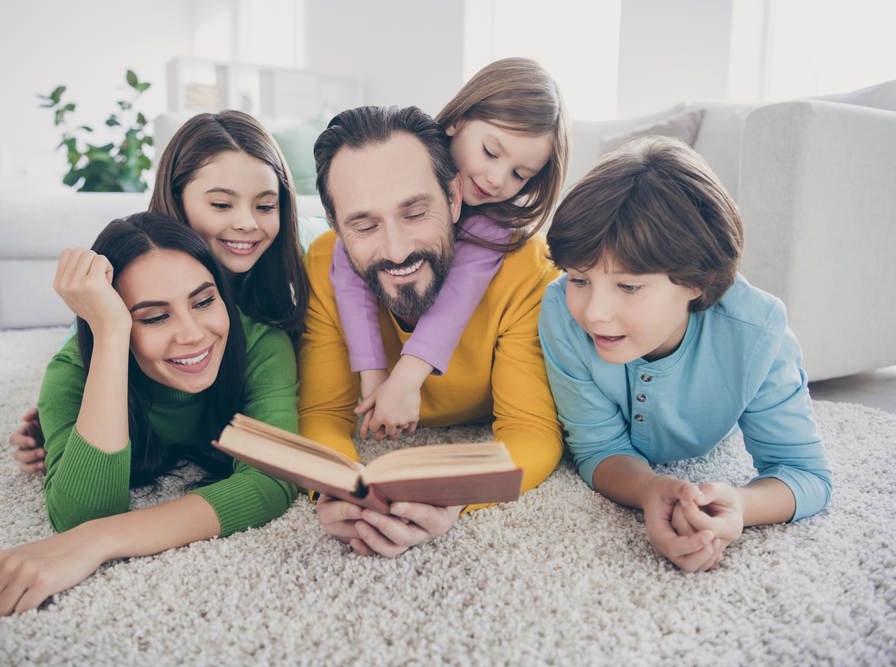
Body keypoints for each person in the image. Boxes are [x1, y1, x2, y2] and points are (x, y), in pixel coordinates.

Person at [0, 213, 301, 616]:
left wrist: (99, 541)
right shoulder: (72, 371)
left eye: (204, 300)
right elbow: (80, 513)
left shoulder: (262, 342)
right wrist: (110, 336)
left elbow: (270, 479)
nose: (192, 333)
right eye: (154, 317)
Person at [538, 136, 832, 573]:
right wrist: (649, 489)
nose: (594, 313)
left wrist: (739, 505)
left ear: (698, 282)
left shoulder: (758, 333)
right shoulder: (562, 310)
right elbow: (598, 446)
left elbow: (806, 475)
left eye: (629, 286)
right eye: (579, 278)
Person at [300, 105, 564, 558]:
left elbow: (532, 432)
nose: (397, 250)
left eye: (416, 213)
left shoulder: (527, 268)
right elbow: (322, 414)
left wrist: (455, 492)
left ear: (455, 197)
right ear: (334, 223)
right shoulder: (326, 262)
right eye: (363, 225)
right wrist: (338, 487)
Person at [11, 110, 310, 473]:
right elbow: (88, 346)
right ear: (175, 200)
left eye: (265, 206)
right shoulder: (140, 263)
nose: (247, 224)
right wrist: (66, 411)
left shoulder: (300, 262)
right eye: (221, 204)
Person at [330, 58, 570, 442]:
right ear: (457, 119)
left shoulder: (494, 225)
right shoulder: (404, 159)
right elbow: (347, 273)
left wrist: (406, 380)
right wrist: (372, 376)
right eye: (491, 152)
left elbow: (457, 297)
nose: (495, 180)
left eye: (519, 175)